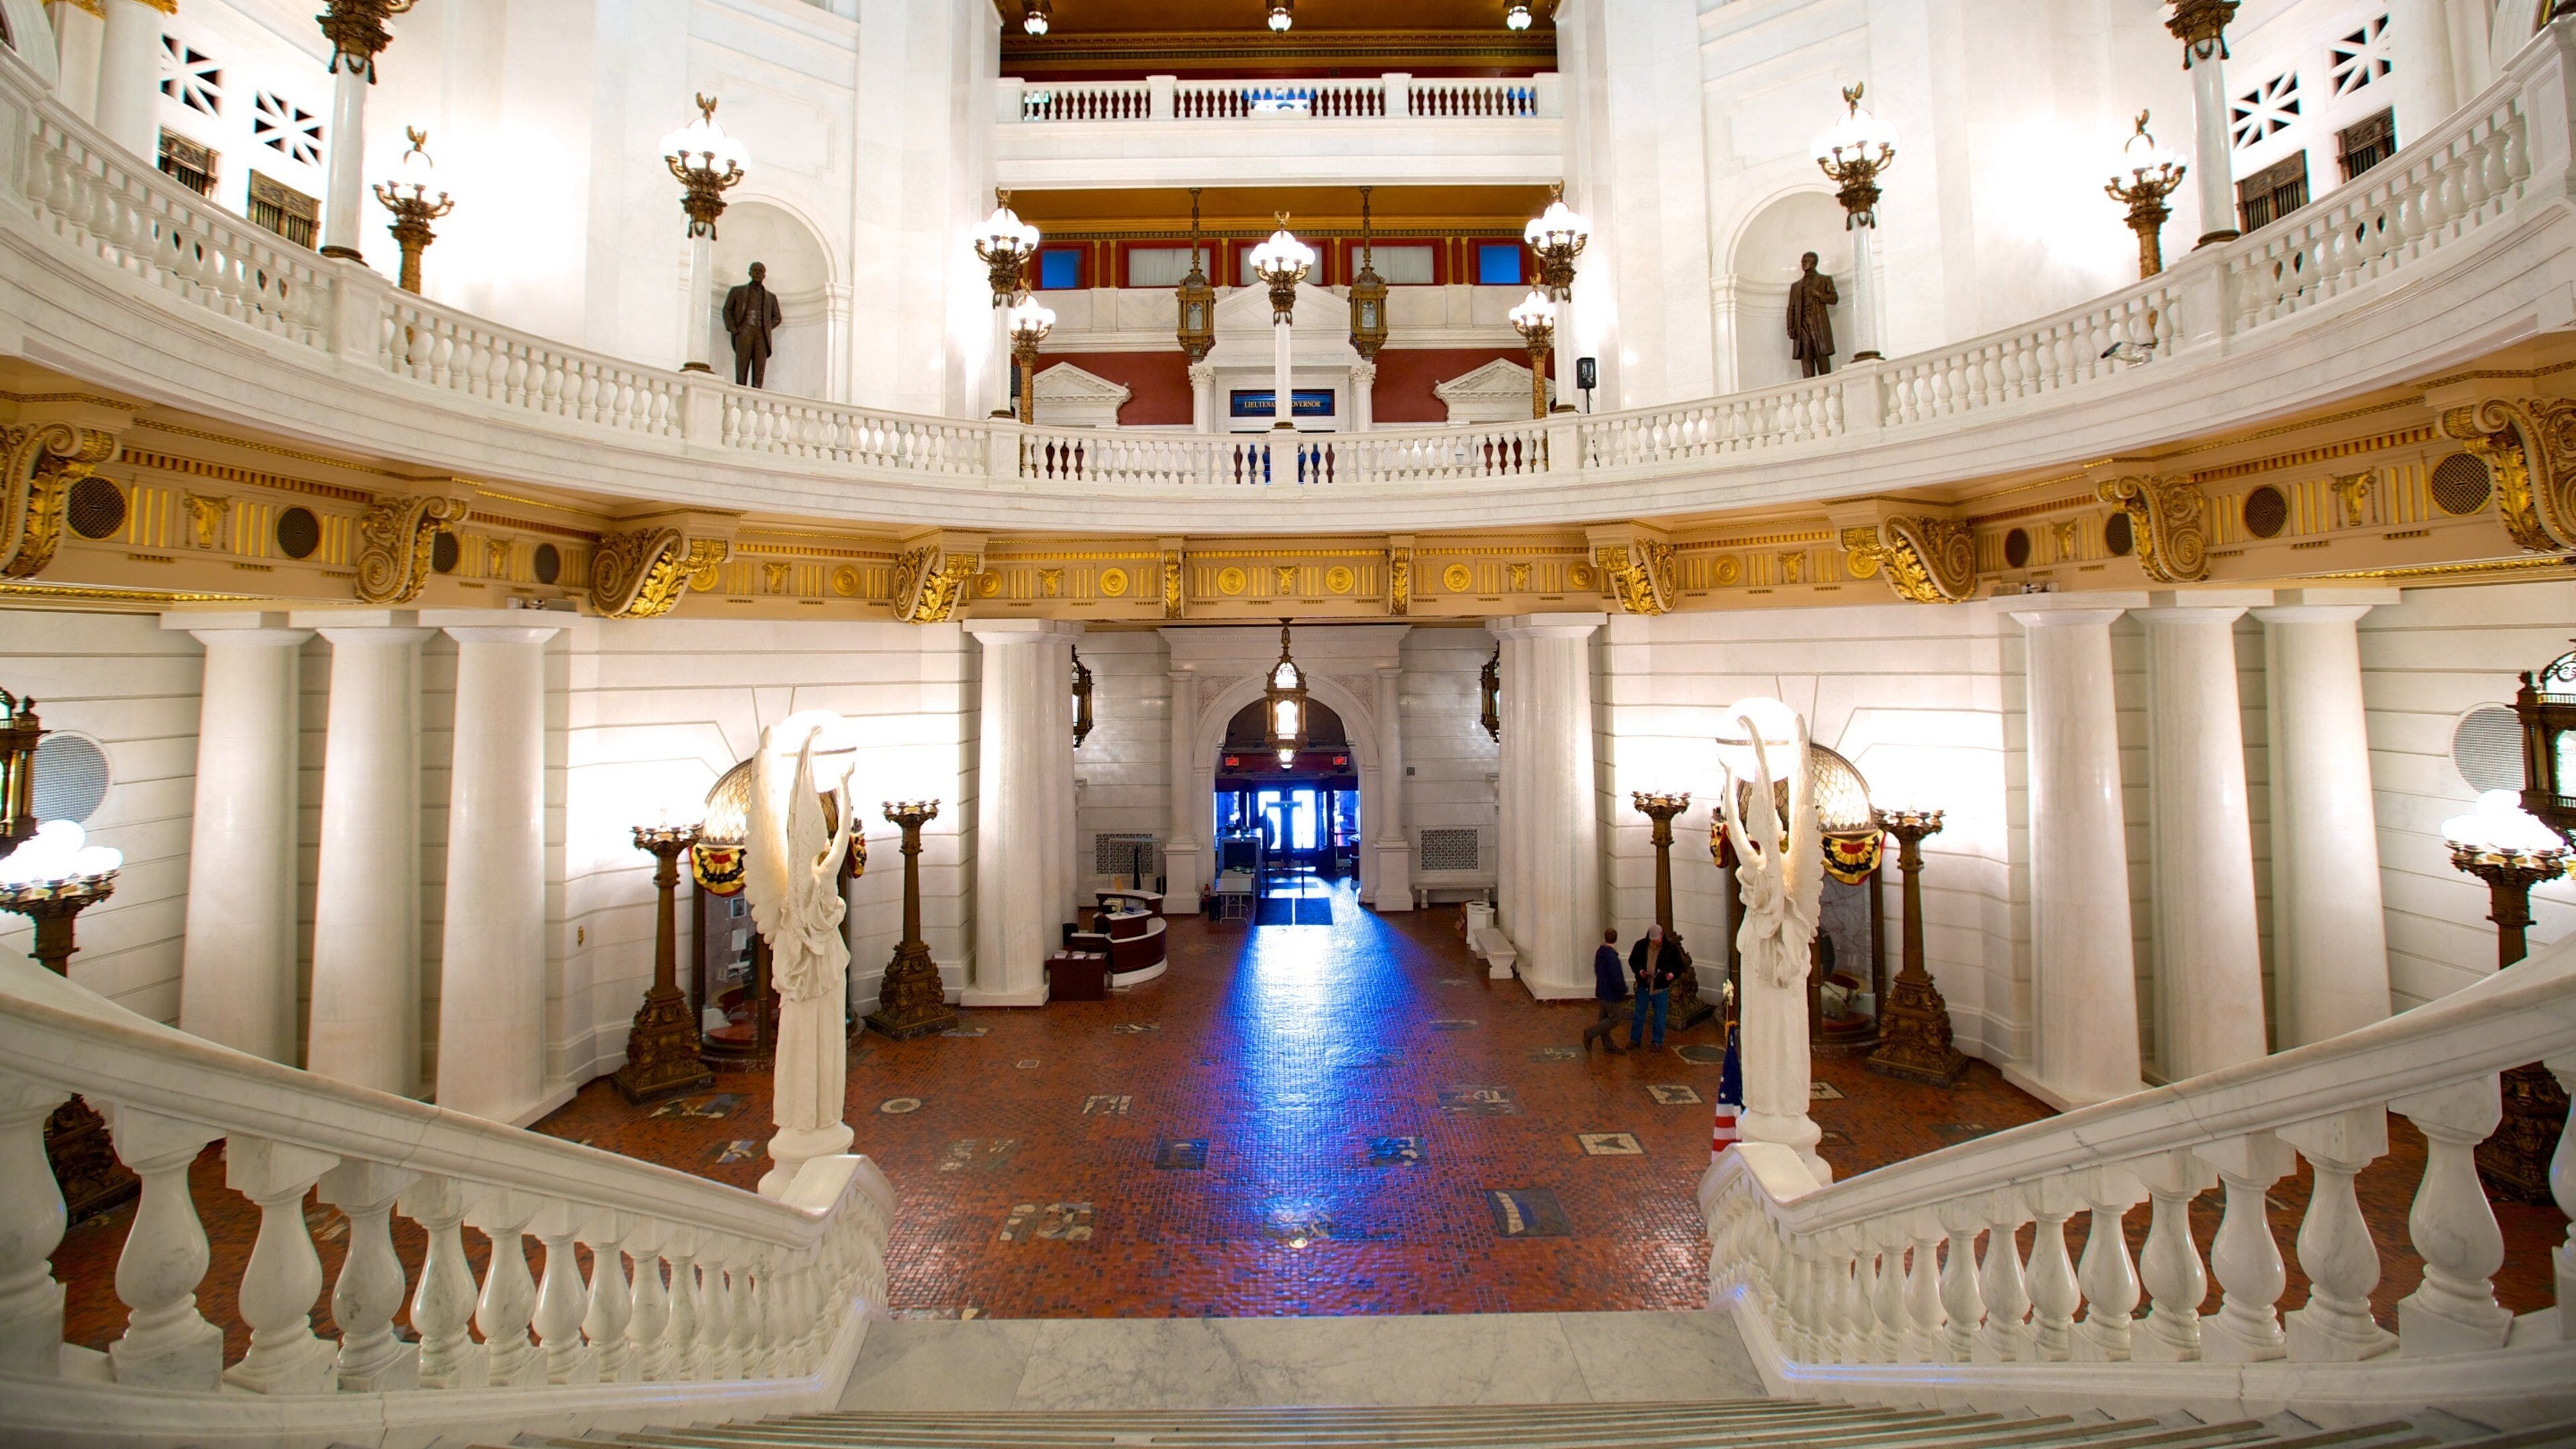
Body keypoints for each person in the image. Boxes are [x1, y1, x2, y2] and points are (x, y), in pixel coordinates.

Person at [724, 261, 784, 389]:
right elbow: (727, 311)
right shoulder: (737, 291)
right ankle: (739, 392)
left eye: (760, 271)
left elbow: (777, 317)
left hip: (762, 334)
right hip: (744, 330)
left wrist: (766, 326)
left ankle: (756, 395)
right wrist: (734, 329)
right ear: (749, 273)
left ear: (764, 275)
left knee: (759, 367)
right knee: (742, 364)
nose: (758, 273)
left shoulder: (771, 297)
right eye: (755, 270)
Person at [1788, 251, 1837, 378]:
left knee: (1821, 354)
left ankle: (1828, 387)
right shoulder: (1796, 286)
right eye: (1802, 261)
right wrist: (1790, 327)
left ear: (1814, 262)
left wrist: (1820, 295)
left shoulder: (1825, 280)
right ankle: (1809, 390)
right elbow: (1791, 308)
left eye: (1806, 260)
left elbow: (1834, 299)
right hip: (1802, 325)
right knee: (1806, 356)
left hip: (1818, 323)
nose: (1803, 263)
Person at [1629, 922, 1676, 1050]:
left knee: (1660, 1017)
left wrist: (1671, 974)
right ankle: (1635, 1039)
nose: (1655, 942)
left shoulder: (1670, 948)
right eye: (1652, 940)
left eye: (1657, 940)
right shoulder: (1640, 946)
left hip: (1660, 988)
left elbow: (1677, 965)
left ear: (1662, 935)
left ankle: (1657, 1042)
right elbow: (1633, 961)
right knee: (1639, 1014)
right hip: (1644, 986)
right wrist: (1639, 971)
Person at [1582, 926, 1627, 1054]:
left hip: (1602, 990)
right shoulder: (1612, 957)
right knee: (1615, 1019)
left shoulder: (1600, 953)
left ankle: (1608, 1045)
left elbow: (1598, 971)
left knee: (1604, 1019)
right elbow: (1617, 978)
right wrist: (1623, 990)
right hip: (1612, 994)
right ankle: (1590, 1033)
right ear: (1616, 939)